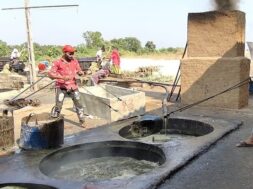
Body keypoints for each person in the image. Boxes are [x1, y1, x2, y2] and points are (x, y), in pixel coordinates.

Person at [48, 45, 86, 127]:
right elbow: (50, 74)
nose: (72, 55)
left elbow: (79, 70)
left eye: (73, 53)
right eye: (70, 53)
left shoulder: (74, 61)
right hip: (61, 87)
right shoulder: (57, 62)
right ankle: (54, 123)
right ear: (65, 53)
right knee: (58, 105)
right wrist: (62, 77)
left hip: (73, 86)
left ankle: (82, 121)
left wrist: (81, 73)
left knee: (79, 104)